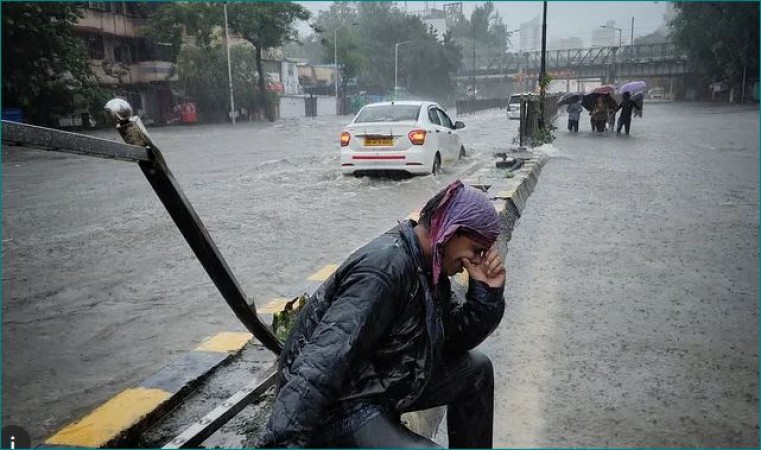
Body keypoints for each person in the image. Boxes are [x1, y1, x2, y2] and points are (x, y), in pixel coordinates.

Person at [259, 180, 507, 448]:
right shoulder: (384, 270)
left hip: (382, 380)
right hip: (341, 408)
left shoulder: (429, 265)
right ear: (452, 231)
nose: (472, 263)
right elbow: (319, 364)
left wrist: (486, 294)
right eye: (475, 250)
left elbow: (451, 339)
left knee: (477, 371)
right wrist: (283, 442)